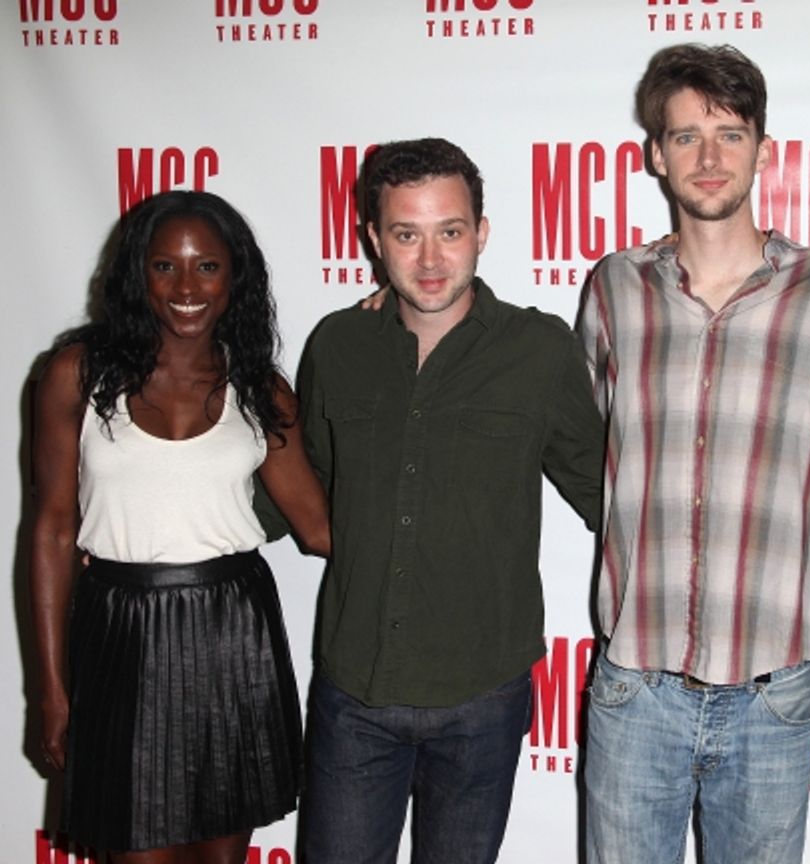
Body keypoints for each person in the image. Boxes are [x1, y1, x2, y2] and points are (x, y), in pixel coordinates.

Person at [577, 43, 810, 863]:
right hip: (636, 683)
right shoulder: (613, 287)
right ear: (655, 153)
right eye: (685, 136)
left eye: (730, 134)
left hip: (773, 692)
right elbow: (583, 435)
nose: (708, 157)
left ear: (763, 148)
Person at [297, 137, 604, 864]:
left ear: (482, 234)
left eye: (450, 232)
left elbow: (608, 492)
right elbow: (292, 490)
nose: (430, 260)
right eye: (407, 234)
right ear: (373, 240)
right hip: (354, 693)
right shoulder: (337, 345)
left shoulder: (539, 348)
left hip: (481, 694)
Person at [30, 190, 330, 863]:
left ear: (235, 277)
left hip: (233, 636)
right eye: (165, 267)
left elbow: (319, 527)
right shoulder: (76, 376)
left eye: (207, 268)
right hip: (120, 635)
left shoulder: (261, 389)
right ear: (138, 274)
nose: (186, 288)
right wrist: (50, 689)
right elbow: (51, 531)